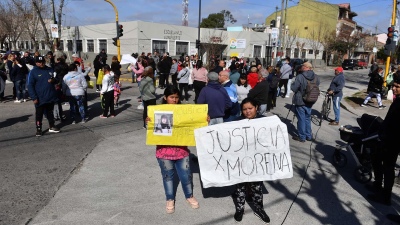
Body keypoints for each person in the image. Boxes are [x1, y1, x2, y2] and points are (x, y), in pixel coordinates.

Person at [145, 86, 200, 214]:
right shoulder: (159, 112)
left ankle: (189, 196)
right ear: (165, 98)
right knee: (168, 177)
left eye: (176, 97)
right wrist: (148, 121)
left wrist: (203, 119)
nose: (174, 100)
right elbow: (154, 130)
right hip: (164, 152)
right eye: (171, 97)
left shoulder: (184, 110)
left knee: (186, 176)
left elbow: (194, 124)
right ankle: (170, 198)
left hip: (182, 152)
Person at [231, 97, 270, 224]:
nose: (247, 111)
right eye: (244, 109)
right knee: (240, 187)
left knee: (257, 187)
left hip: (258, 161)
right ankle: (240, 209)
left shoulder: (265, 121)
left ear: (256, 108)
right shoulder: (236, 122)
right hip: (241, 161)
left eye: (250, 108)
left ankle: (259, 209)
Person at [366, 77, 400, 206]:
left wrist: (388, 136)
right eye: (393, 85)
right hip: (385, 137)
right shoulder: (397, 100)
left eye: (397, 86)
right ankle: (377, 185)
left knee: (388, 168)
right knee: (375, 158)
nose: (393, 88)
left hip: (393, 141)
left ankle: (386, 196)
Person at [27, 56, 60, 136]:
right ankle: (39, 128)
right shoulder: (33, 72)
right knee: (39, 114)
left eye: (42, 62)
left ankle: (51, 126)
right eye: (39, 62)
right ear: (36, 63)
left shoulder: (49, 69)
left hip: (50, 96)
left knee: (50, 112)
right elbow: (30, 85)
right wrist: (34, 97)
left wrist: (54, 80)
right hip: (39, 97)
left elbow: (56, 79)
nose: (41, 63)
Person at [291, 62, 320, 142]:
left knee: (301, 119)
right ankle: (309, 135)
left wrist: (292, 85)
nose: (302, 67)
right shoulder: (316, 77)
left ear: (306, 67)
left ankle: (302, 137)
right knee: (307, 118)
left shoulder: (300, 76)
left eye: (303, 66)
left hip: (300, 100)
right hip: (311, 100)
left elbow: (294, 88)